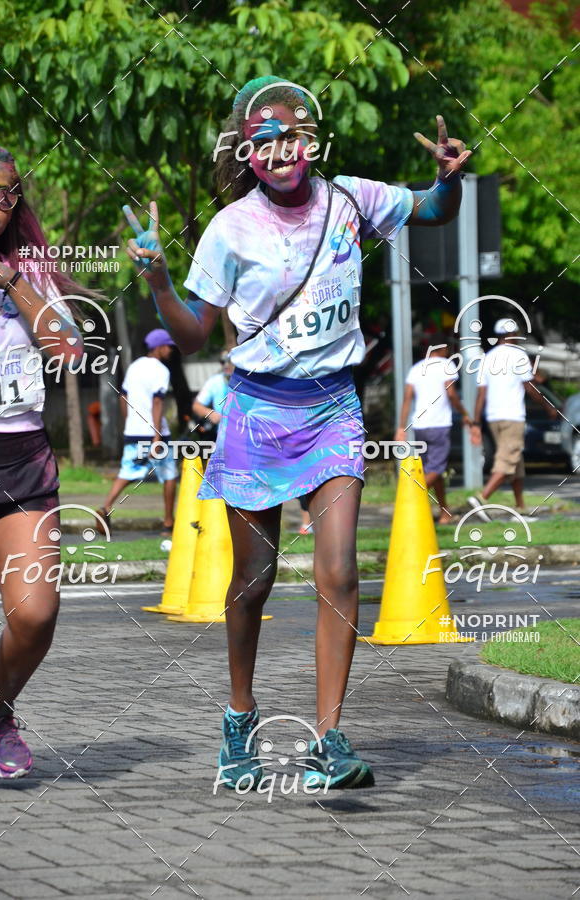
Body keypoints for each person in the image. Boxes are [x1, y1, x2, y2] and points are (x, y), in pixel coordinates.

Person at [123, 76, 471, 789]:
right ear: (247, 154)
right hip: (256, 415)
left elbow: (434, 210)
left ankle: (329, 739)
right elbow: (190, 335)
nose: (282, 152)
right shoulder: (230, 229)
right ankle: (239, 718)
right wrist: (158, 280)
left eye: (294, 137)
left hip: (332, 410)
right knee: (252, 582)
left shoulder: (351, 199)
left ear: (310, 141)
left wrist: (449, 179)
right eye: (265, 143)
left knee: (340, 570)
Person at [0, 142, 85, 798]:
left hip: (20, 463)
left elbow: (71, 350)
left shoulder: (32, 269)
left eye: (5, 193)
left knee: (36, 613)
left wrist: (8, 282)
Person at [469, 318, 557, 520]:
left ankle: (520, 509)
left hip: (493, 418)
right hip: (512, 416)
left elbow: (481, 394)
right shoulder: (518, 356)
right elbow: (529, 387)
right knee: (507, 460)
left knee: (516, 462)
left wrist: (476, 422)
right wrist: (547, 406)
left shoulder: (487, 358)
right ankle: (481, 498)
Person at [96, 329, 178, 536]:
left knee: (127, 472)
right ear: (159, 347)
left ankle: (105, 508)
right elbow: (157, 401)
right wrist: (156, 435)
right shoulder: (161, 370)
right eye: (168, 346)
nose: (170, 350)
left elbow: (123, 397)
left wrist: (130, 423)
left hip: (133, 431)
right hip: (155, 434)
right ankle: (168, 523)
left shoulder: (134, 366)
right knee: (169, 475)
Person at [395, 337, 473, 524]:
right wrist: (464, 413)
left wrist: (401, 427)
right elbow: (452, 394)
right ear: (442, 348)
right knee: (437, 469)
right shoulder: (447, 365)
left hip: (420, 426)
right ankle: (409, 496)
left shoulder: (416, 369)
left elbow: (407, 399)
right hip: (439, 425)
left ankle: (445, 513)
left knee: (433, 470)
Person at [191, 352, 233, 439]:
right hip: (221, 437)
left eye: (229, 361)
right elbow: (196, 406)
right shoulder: (214, 381)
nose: (226, 365)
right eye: (222, 362)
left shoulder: (248, 381)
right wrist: (209, 413)